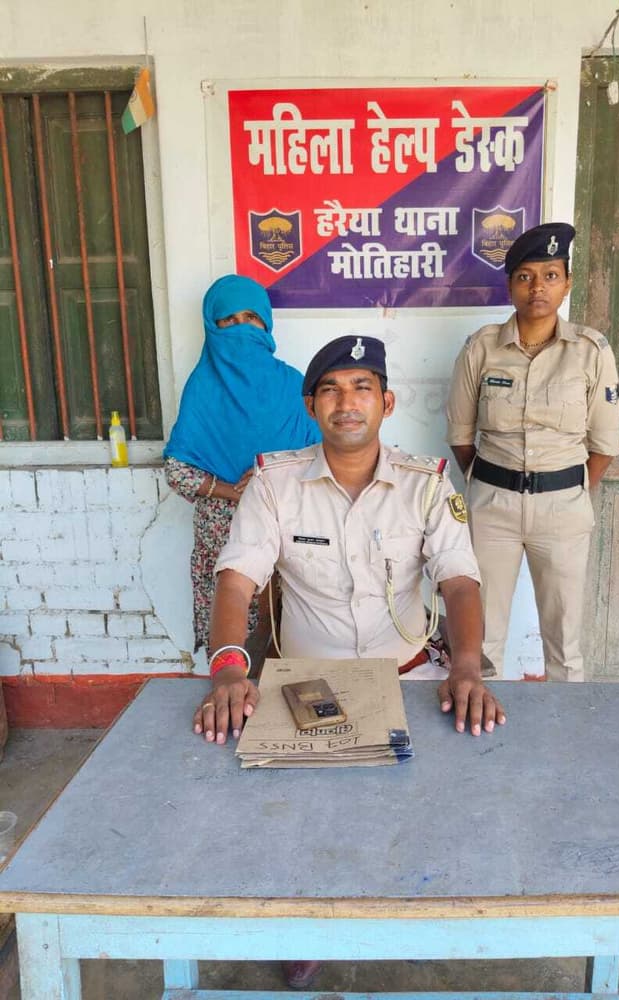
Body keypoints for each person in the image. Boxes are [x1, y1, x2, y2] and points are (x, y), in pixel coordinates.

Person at [195, 334, 506, 988]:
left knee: (436, 798)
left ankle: (414, 908)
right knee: (302, 819)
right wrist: (228, 669)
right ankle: (306, 927)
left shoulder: (426, 484)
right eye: (331, 390)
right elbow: (236, 582)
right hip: (311, 684)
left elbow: (459, 583)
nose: (347, 403)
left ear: (386, 403)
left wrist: (467, 667)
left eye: (362, 388)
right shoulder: (275, 484)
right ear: (311, 405)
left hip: (411, 676)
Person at [446, 223, 619, 682]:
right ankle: (483, 720)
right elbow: (461, 435)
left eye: (550, 275)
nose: (537, 287)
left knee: (564, 640)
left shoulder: (591, 351)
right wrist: (495, 484)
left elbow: (604, 445)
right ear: (510, 286)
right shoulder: (482, 347)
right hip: (493, 506)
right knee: (481, 639)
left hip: (562, 508)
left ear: (567, 283)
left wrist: (566, 491)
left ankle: (568, 725)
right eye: (525, 277)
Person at [164, 274, 321, 657]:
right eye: (229, 320)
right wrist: (231, 491)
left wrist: (272, 475)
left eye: (250, 318)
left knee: (293, 639)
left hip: (288, 526)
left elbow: (324, 457)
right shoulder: (202, 387)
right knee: (234, 643)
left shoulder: (294, 385)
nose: (241, 329)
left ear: (265, 323)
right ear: (213, 327)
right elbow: (177, 471)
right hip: (223, 531)